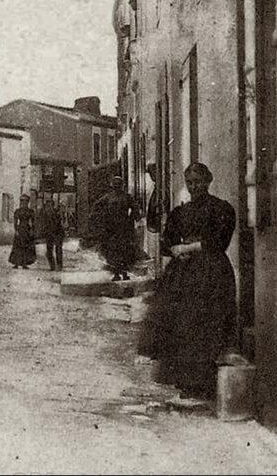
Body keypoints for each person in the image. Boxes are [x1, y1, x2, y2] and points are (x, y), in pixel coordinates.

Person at [140, 163, 237, 400]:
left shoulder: (220, 209)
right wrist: (176, 250)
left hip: (211, 274)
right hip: (184, 274)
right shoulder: (181, 212)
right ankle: (186, 381)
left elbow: (219, 241)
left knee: (207, 323)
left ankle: (205, 382)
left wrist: (191, 246)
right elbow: (167, 241)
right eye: (190, 182)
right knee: (183, 324)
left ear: (208, 181)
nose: (194, 187)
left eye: (198, 182)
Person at [92, 176, 140, 281]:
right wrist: (103, 218)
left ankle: (123, 273)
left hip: (122, 229)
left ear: (121, 185)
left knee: (123, 251)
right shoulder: (109, 197)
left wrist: (131, 219)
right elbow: (97, 206)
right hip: (113, 229)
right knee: (115, 251)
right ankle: (118, 274)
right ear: (113, 185)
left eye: (118, 184)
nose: (117, 186)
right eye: (115, 184)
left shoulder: (125, 197)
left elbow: (135, 208)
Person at [9, 195, 37, 269]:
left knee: (26, 247)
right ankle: (16, 263)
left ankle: (24, 263)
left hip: (27, 230)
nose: (24, 203)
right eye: (22, 202)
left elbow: (33, 222)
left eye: (26, 202)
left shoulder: (30, 211)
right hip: (20, 229)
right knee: (17, 247)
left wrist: (32, 230)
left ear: (27, 202)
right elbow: (15, 222)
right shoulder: (18, 211)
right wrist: (16, 230)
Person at [42, 200, 65, 271]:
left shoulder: (57, 213)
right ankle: (52, 266)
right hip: (49, 233)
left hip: (58, 233)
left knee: (58, 249)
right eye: (47, 206)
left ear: (52, 206)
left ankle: (59, 265)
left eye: (50, 206)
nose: (49, 207)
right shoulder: (45, 214)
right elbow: (44, 224)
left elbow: (60, 223)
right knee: (49, 250)